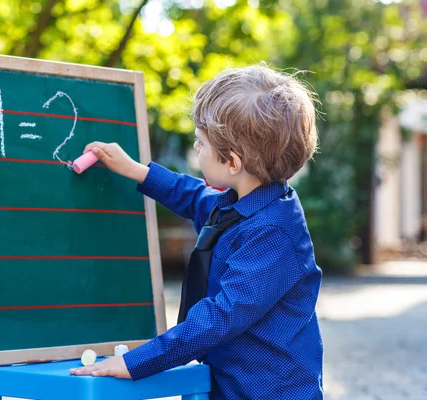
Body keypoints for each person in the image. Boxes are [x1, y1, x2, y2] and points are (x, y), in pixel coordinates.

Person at [70, 63, 323, 399]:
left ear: (232, 163)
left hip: (268, 390)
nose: (196, 148)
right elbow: (193, 197)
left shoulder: (273, 232)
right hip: (230, 383)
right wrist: (137, 171)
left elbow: (220, 316)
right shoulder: (242, 202)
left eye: (200, 144)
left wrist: (137, 361)